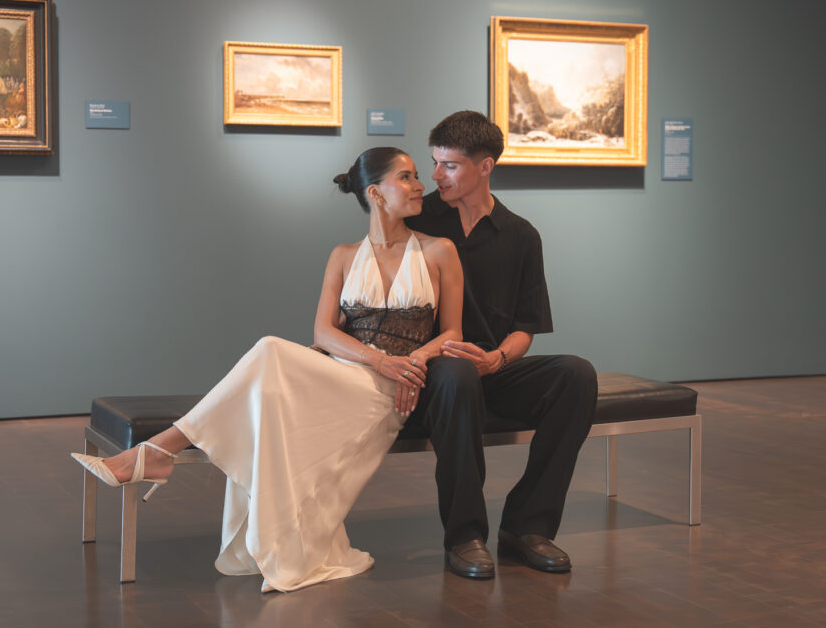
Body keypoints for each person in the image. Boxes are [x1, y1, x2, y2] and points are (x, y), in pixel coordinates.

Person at [72, 147, 464, 592]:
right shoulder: (343, 255)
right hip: (345, 372)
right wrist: (378, 358)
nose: (420, 186)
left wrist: (413, 362)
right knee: (269, 358)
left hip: (386, 391)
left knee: (269, 351)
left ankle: (157, 452)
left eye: (416, 176)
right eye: (407, 177)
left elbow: (452, 331)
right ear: (375, 193)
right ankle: (158, 453)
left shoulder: (439, 251)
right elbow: (322, 331)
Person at [404, 110, 597, 579]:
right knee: (457, 373)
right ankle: (464, 535)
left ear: (485, 166)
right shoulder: (416, 221)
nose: (436, 175)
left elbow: (526, 327)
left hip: (491, 367)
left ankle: (527, 526)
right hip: (436, 372)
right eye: (434, 163)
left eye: (449, 165)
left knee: (576, 374)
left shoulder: (521, 235)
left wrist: (497, 359)